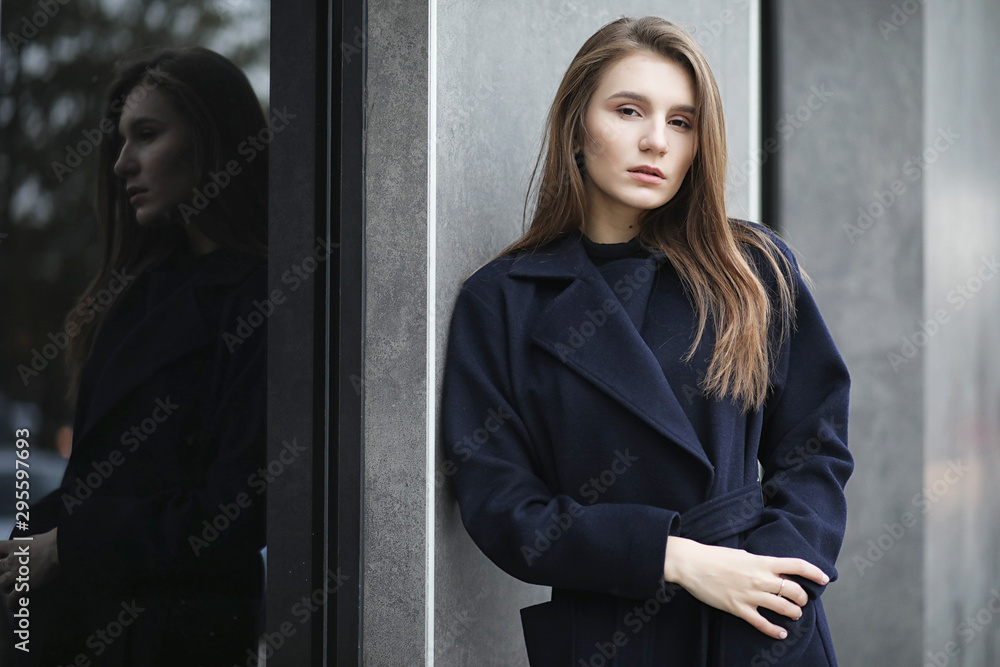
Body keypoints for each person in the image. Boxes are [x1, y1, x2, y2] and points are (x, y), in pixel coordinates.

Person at [441, 16, 853, 666]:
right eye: (629, 110)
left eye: (681, 121)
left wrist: (779, 570)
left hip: (756, 622)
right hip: (611, 628)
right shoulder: (502, 300)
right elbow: (501, 504)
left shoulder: (753, 269)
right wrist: (675, 558)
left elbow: (816, 446)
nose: (655, 141)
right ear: (578, 124)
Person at [0, 46, 268, 665]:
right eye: (121, 140)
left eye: (146, 134)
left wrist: (66, 546)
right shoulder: (132, 298)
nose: (122, 163)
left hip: (176, 637)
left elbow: (232, 513)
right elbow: (91, 482)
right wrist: (31, 541)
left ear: (209, 138)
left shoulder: (264, 299)